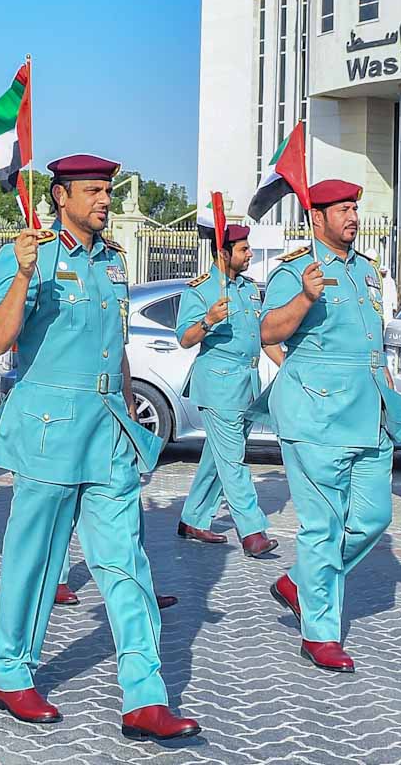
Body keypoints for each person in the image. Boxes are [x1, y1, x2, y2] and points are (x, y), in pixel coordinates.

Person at [0, 154, 198, 741]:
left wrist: (129, 412)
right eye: (94, 191)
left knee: (126, 562)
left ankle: (145, 697)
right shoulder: (28, 254)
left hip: (106, 431)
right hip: (50, 429)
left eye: (107, 190)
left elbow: (116, 348)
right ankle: (12, 673)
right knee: (37, 561)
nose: (105, 200)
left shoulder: (113, 261)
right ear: (61, 196)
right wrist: (24, 275)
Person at [259, 179, 401, 673]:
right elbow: (267, 331)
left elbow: (371, 340)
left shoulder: (367, 272)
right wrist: (306, 298)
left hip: (369, 412)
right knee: (322, 528)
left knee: (374, 518)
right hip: (317, 414)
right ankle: (320, 632)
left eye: (355, 208)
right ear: (318, 218)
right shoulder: (297, 271)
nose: (353, 216)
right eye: (343, 209)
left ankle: (298, 582)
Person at [174, 219, 286, 558]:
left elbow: (263, 336)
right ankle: (252, 531)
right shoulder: (202, 289)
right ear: (224, 253)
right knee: (234, 460)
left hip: (247, 385)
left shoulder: (249, 288)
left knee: (219, 457)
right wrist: (208, 320)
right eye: (244, 249)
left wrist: (287, 365)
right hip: (219, 386)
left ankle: (192, 519)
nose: (250, 253)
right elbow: (184, 338)